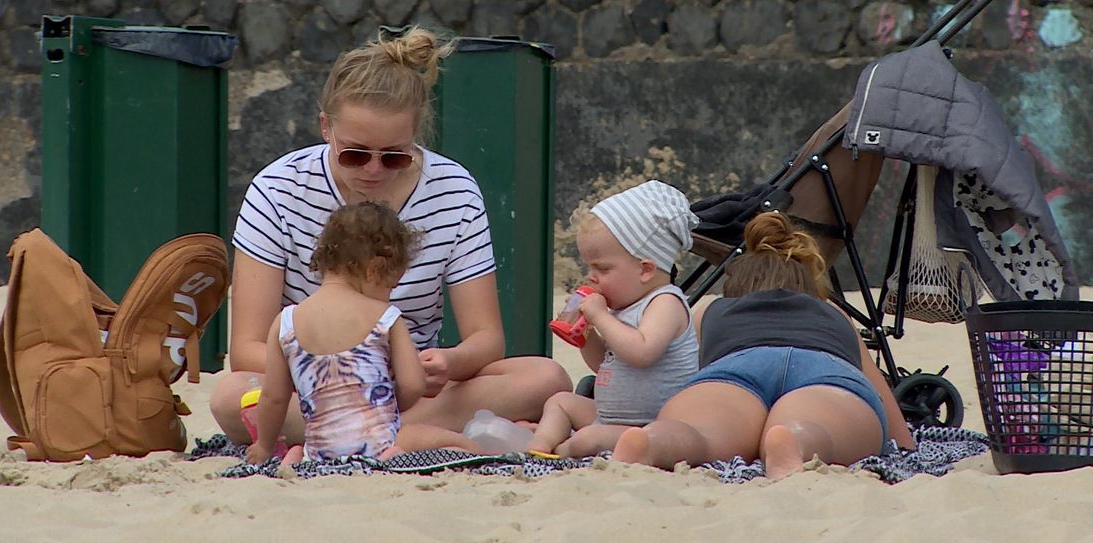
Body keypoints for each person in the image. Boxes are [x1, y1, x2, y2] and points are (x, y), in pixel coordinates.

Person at [211, 27, 570, 446]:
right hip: (314, 381)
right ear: (325, 127)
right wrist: (353, 368)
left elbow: (486, 339)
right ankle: (412, 432)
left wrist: (449, 362)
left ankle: (356, 433)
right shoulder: (278, 188)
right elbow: (247, 348)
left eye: (395, 156)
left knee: (546, 376)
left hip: (413, 383)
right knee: (230, 395)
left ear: (417, 136)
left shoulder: (453, 189)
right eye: (355, 153)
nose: (374, 170)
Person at [612, 211, 917, 479]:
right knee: (817, 430)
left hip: (736, 366)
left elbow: (673, 367)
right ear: (809, 286)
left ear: (733, 291)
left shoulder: (711, 311)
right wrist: (905, 441)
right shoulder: (833, 312)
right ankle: (796, 440)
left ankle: (654, 441)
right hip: (823, 369)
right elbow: (893, 420)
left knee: (699, 435)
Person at [245, 202, 483, 465]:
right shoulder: (385, 317)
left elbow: (274, 397)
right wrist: (391, 406)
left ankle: (296, 457)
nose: (390, 293)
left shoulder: (285, 322)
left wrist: (264, 447)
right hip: (380, 446)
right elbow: (413, 384)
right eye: (391, 285)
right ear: (374, 269)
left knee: (302, 449)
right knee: (449, 442)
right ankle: (481, 451)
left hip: (321, 453)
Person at [527, 181, 700, 457]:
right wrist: (586, 336)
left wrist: (601, 317)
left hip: (650, 426)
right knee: (560, 402)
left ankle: (561, 451)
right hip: (609, 417)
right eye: (589, 267)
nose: (591, 277)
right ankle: (539, 445)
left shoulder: (665, 303)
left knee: (588, 440)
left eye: (602, 268)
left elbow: (642, 353)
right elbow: (605, 366)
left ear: (645, 269)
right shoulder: (621, 308)